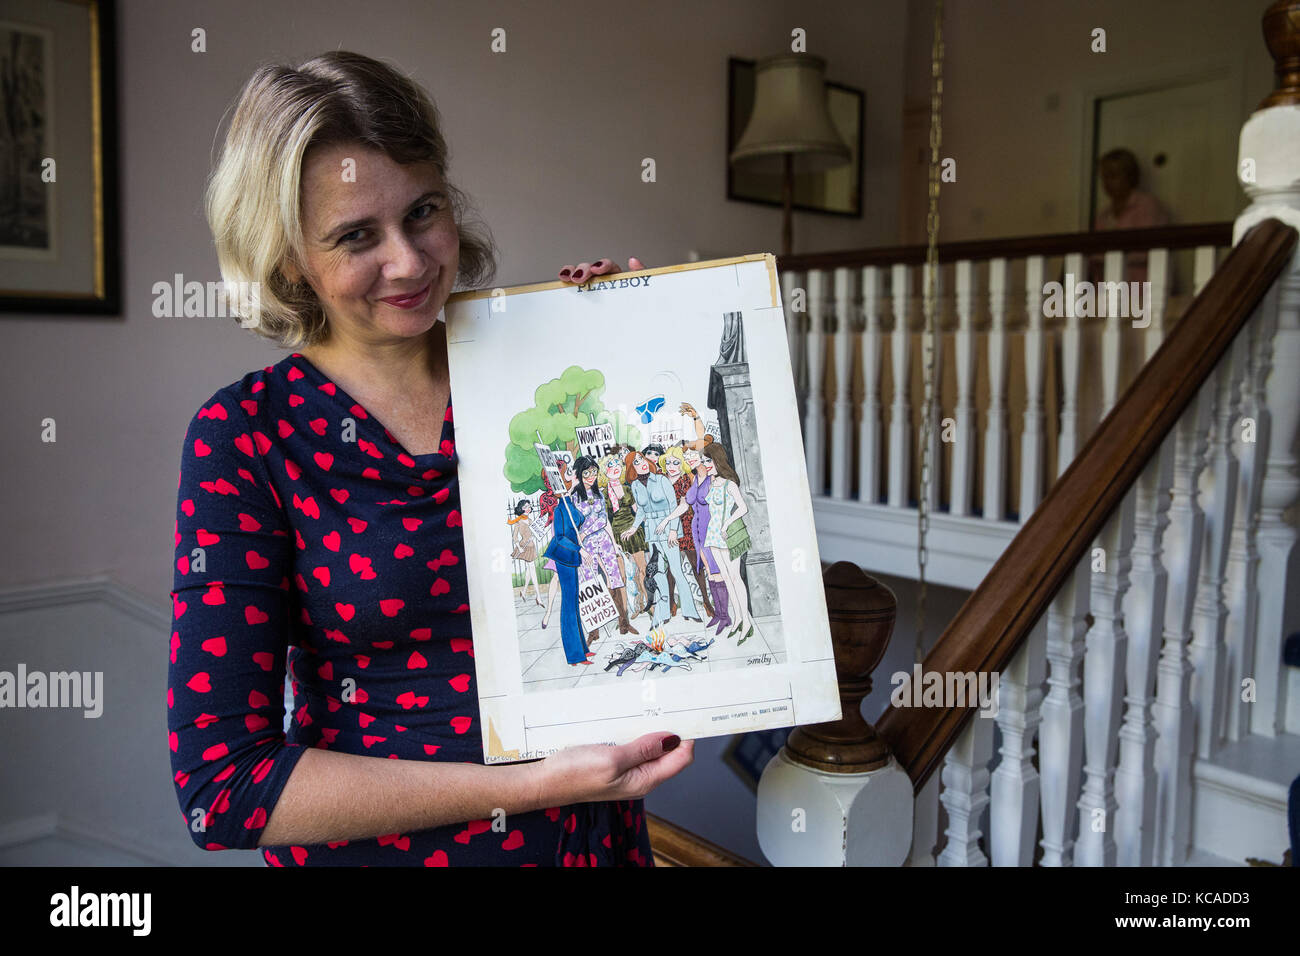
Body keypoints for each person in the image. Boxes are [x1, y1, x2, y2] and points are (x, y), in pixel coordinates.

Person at [169, 50, 692, 868]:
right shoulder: (245, 436)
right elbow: (223, 789)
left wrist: (639, 354)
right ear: (288, 261)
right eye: (355, 236)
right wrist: (536, 784)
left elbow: (626, 560)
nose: (410, 262)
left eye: (423, 212)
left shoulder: (543, 385)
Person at [1091, 147, 1170, 284]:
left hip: (1141, 288)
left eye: (1113, 176)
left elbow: (1147, 249)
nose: (1107, 182)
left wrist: (1110, 257)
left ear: (1130, 176)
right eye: (1105, 177)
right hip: (1108, 290)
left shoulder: (1147, 206)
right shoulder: (1104, 215)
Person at [509, 499, 543, 607]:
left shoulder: (530, 520)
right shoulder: (518, 522)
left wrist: (535, 535)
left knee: (530, 570)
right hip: (524, 547)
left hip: (531, 546)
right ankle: (538, 596)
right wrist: (519, 548)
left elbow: (535, 532)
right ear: (521, 509)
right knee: (532, 570)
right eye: (525, 507)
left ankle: (523, 592)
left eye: (529, 506)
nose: (528, 509)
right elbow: (514, 537)